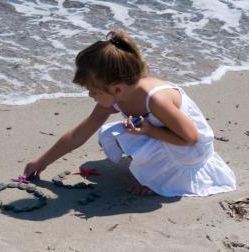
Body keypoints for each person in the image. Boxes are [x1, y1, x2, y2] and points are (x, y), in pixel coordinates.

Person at [23, 30, 236, 197]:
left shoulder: (157, 99)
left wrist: (151, 131)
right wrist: (42, 161)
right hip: (165, 136)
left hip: (190, 154)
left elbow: (192, 139)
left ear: (116, 88)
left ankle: (163, 180)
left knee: (130, 136)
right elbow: (80, 133)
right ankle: (155, 160)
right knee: (118, 134)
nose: (90, 95)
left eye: (93, 90)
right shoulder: (117, 96)